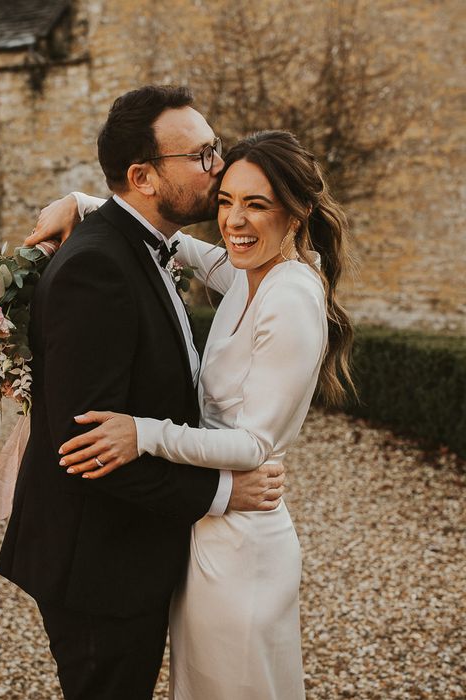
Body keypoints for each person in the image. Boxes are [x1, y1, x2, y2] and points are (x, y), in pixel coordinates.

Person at [29, 129, 355, 698]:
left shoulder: (292, 296)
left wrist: (143, 433)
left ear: (297, 213)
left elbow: (254, 447)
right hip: (205, 531)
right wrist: (84, 205)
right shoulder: (248, 277)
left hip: (246, 543)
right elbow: (176, 245)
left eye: (257, 204)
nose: (235, 220)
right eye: (226, 200)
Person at [0, 85, 286, 700]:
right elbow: (86, 448)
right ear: (143, 176)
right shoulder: (98, 267)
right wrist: (222, 491)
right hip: (97, 562)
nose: (220, 167)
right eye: (204, 156)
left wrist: (82, 199)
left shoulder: (141, 245)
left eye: (217, 149)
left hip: (127, 548)